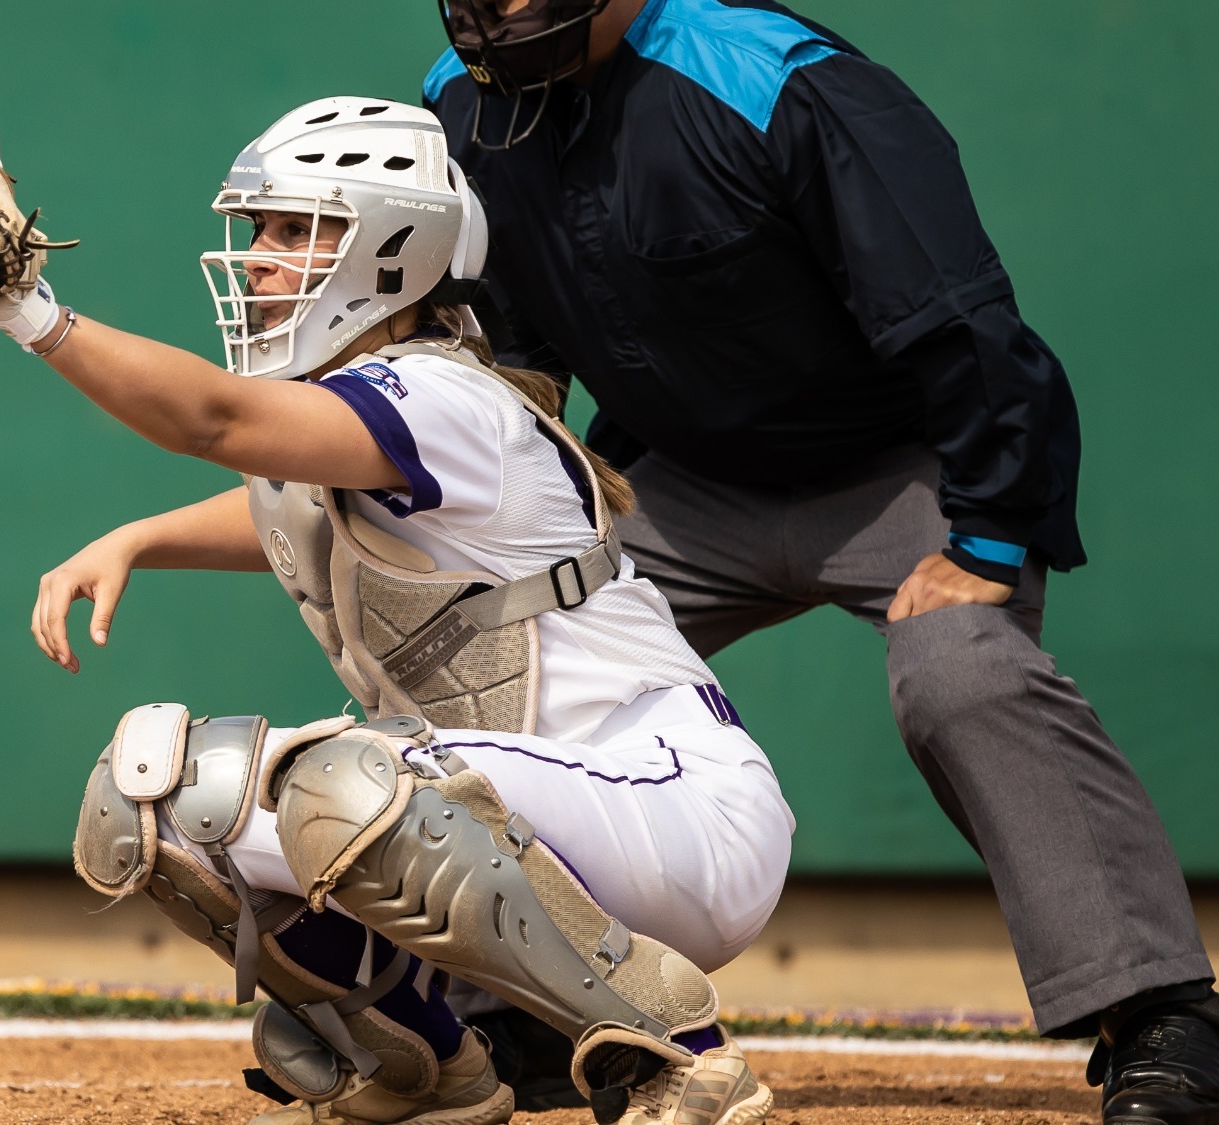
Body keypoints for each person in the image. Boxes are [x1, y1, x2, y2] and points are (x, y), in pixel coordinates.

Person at [422, 2, 1219, 1122]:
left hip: (899, 467)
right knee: (500, 662)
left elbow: (958, 317)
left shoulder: (775, 83)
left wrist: (985, 534)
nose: (501, 10)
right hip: (682, 477)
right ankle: (537, 1011)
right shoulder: (456, 108)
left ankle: (1161, 1015)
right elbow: (514, 349)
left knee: (960, 672)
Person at [0, 97, 794, 1125]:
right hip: (544, 833)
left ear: (392, 247)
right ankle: (429, 1067)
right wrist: (140, 538)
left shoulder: (437, 394)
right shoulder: (382, 410)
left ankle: (687, 1055)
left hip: (675, 814)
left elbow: (211, 419)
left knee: (354, 780)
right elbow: (289, 509)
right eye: (258, 230)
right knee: (161, 806)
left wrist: (30, 310)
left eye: (294, 230)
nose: (261, 258)